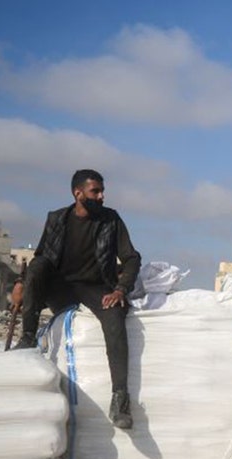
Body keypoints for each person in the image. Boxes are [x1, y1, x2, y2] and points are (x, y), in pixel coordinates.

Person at [9, 169, 141, 430]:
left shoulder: (111, 219)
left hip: (95, 285)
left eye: (102, 191)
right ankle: (26, 338)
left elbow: (131, 258)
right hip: (60, 287)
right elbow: (41, 256)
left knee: (115, 315)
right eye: (96, 191)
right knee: (36, 266)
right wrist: (22, 285)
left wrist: (121, 289)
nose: (102, 196)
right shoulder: (57, 219)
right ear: (77, 193)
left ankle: (120, 399)